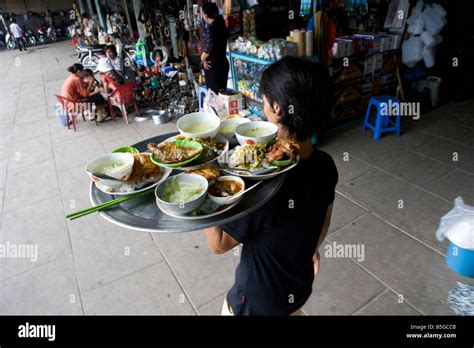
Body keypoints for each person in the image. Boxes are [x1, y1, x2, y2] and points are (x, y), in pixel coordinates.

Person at [204, 57, 338, 315]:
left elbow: (218, 244)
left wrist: (207, 178)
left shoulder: (266, 183)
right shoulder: (325, 165)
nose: (262, 103)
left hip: (254, 304)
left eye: (264, 99)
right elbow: (324, 220)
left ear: (277, 108)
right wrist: (309, 248)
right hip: (296, 293)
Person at [201, 2, 229, 94]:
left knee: (214, 95)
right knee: (222, 94)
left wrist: (202, 58)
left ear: (205, 14)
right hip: (223, 63)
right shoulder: (221, 24)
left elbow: (209, 48)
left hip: (213, 66)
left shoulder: (211, 28)